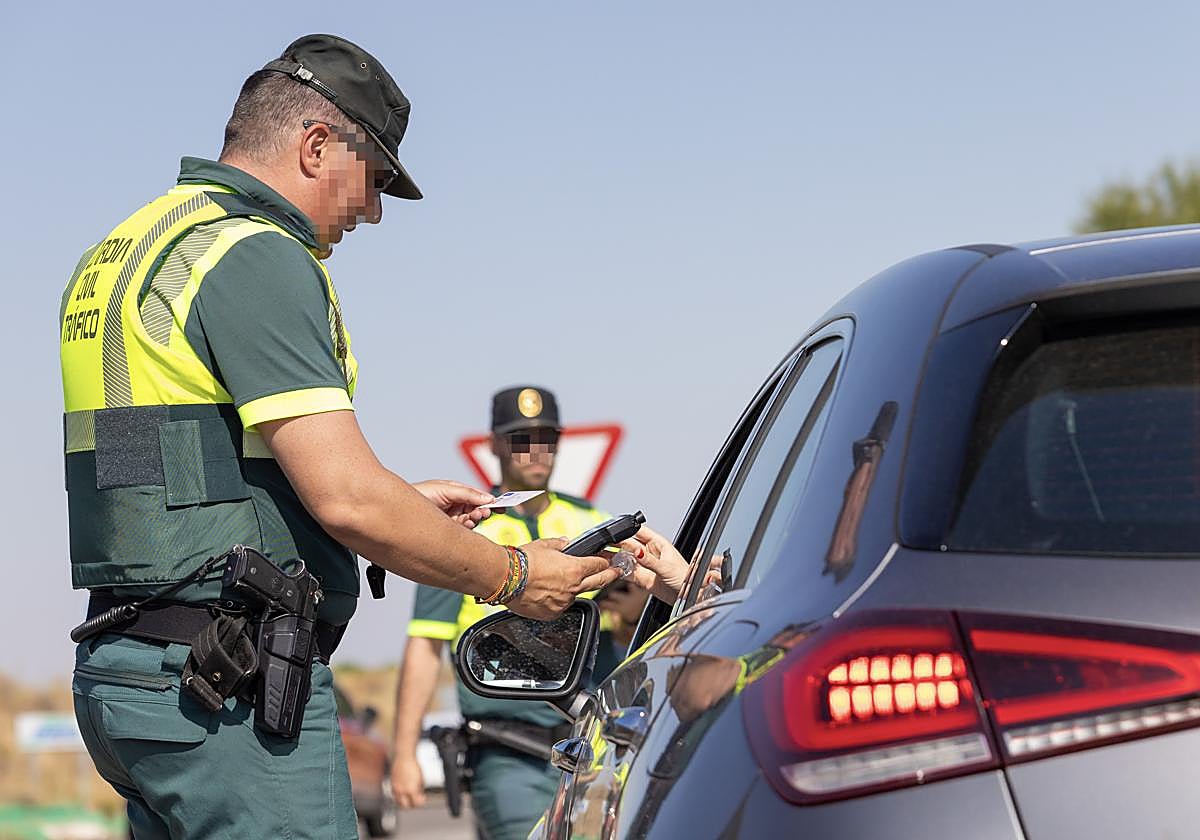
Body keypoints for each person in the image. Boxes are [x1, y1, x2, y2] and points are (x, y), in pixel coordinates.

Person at [59, 36, 618, 840]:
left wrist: (400, 502)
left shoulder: (129, 248)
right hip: (229, 690)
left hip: (132, 682)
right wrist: (514, 576)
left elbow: (162, 472)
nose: (375, 210)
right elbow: (348, 500)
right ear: (317, 145)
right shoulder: (254, 253)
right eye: (377, 178)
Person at [391, 385, 646, 840]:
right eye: (520, 440)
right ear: (493, 445)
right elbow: (425, 645)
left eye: (546, 439)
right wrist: (404, 751)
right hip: (507, 749)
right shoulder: (463, 529)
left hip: (593, 738)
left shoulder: (593, 521)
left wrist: (632, 611)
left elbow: (630, 637)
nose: (535, 452)